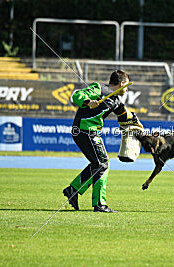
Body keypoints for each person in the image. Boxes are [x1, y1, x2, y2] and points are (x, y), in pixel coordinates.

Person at [63, 70, 142, 213]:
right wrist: (88, 102)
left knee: (97, 164)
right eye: (127, 86)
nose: (127, 89)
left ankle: (73, 190)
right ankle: (100, 204)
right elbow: (77, 95)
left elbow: (125, 116)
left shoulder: (117, 101)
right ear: (122, 83)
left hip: (91, 132)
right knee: (102, 164)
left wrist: (136, 123)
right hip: (84, 130)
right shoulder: (99, 88)